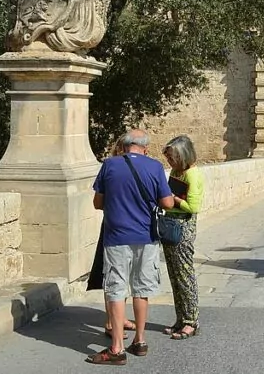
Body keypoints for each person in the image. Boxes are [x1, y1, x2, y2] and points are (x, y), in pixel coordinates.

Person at [87, 129, 174, 366]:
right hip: (146, 237)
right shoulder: (155, 167)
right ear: (144, 148)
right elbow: (166, 202)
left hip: (116, 237)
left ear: (124, 146)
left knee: (116, 289)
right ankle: (140, 340)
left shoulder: (109, 165)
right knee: (141, 288)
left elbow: (97, 203)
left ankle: (117, 348)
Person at [87, 138, 135, 339]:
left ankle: (117, 318)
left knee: (117, 276)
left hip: (114, 227)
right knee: (114, 276)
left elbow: (98, 202)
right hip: (119, 229)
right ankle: (111, 322)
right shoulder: (114, 169)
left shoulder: (111, 169)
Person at [160, 135, 204, 340]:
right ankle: (181, 318)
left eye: (173, 157)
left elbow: (193, 207)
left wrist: (173, 199)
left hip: (183, 228)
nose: (170, 162)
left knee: (185, 276)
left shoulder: (192, 175)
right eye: (168, 158)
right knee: (175, 276)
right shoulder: (177, 172)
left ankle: (191, 321)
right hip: (171, 226)